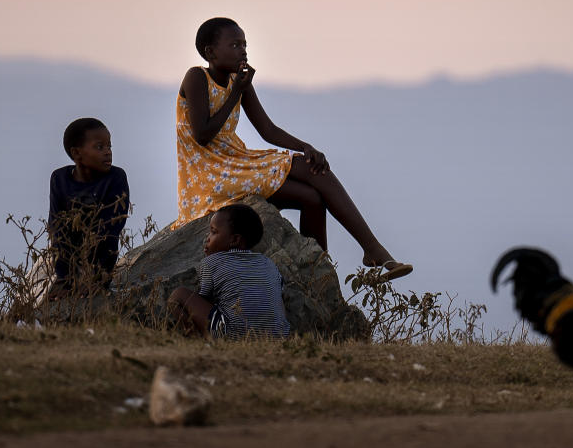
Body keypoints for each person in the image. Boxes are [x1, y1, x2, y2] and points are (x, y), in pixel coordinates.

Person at [175, 17, 412, 281]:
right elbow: (202, 134)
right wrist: (236, 93)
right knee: (308, 179)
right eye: (234, 45)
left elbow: (267, 129)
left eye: (244, 44)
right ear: (210, 52)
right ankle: (373, 249)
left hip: (236, 162)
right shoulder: (197, 76)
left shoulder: (238, 82)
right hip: (209, 175)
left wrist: (306, 147)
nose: (243, 51)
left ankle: (321, 277)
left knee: (312, 192)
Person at [168, 203, 290, 339]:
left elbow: (205, 299)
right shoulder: (269, 263)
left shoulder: (211, 262)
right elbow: (280, 295)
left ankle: (198, 342)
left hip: (232, 335)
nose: (207, 238)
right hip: (278, 338)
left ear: (235, 239)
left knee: (178, 295)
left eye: (213, 232)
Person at [47, 117, 130, 298]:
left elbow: (110, 231)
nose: (108, 152)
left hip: (100, 261)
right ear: (77, 154)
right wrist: (64, 278)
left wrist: (97, 279)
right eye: (99, 147)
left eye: (109, 146)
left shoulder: (115, 178)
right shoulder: (59, 179)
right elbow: (57, 228)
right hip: (68, 259)